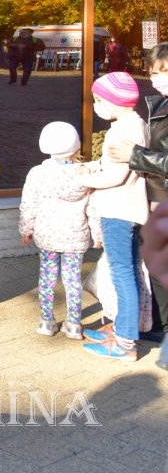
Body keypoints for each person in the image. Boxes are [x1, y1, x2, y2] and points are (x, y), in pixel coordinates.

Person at [76, 72, 150, 361]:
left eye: (98, 99)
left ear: (115, 102)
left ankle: (125, 342)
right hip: (128, 209)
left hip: (118, 210)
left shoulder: (122, 131)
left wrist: (86, 178)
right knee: (127, 270)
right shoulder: (136, 124)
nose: (96, 105)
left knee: (122, 274)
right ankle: (122, 328)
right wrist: (96, 166)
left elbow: (117, 175)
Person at [108, 41, 168, 346]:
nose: (158, 78)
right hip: (156, 194)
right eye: (154, 72)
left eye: (164, 71)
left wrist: (136, 154)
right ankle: (155, 325)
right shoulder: (161, 104)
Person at [18, 122, 96, 340]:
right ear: (76, 147)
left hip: (47, 236)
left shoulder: (38, 173)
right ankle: (73, 324)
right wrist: (97, 233)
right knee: (72, 280)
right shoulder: (84, 175)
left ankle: (46, 321)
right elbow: (93, 207)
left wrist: (26, 229)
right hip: (75, 236)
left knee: (47, 277)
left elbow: (28, 204)